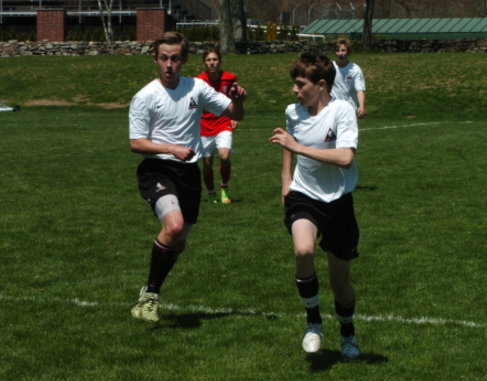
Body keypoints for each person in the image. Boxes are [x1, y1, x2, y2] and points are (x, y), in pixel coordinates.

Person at [129, 32, 246, 322]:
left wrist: (238, 100)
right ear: (155, 60)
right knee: (174, 225)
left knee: (178, 243)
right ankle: (150, 295)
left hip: (188, 173)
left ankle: (150, 289)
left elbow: (235, 114)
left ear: (183, 60)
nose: (169, 64)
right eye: (163, 58)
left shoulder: (197, 87)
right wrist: (171, 148)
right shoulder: (145, 96)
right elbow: (136, 143)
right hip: (157, 169)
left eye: (175, 59)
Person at [268, 53, 361, 358]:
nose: (294, 90)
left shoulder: (342, 111)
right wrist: (286, 179)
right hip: (303, 195)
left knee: (340, 281)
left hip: (338, 201)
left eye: (300, 84)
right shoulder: (292, 112)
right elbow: (288, 141)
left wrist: (297, 147)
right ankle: (313, 323)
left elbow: (345, 157)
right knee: (303, 250)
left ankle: (347, 333)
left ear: (321, 85)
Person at [196, 48, 239, 204]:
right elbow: (193, 102)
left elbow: (234, 97)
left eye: (214, 59)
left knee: (224, 156)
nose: (212, 63)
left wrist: (233, 116)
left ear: (219, 61)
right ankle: (211, 193)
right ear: (204, 62)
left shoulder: (230, 78)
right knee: (207, 164)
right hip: (204, 125)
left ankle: (224, 187)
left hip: (223, 123)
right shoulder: (198, 81)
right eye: (208, 60)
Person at [331, 38, 366, 119]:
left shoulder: (355, 69)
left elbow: (360, 90)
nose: (340, 53)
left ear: (348, 52)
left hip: (349, 111)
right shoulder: (330, 68)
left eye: (343, 50)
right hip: (332, 111)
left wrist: (361, 106)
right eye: (337, 50)